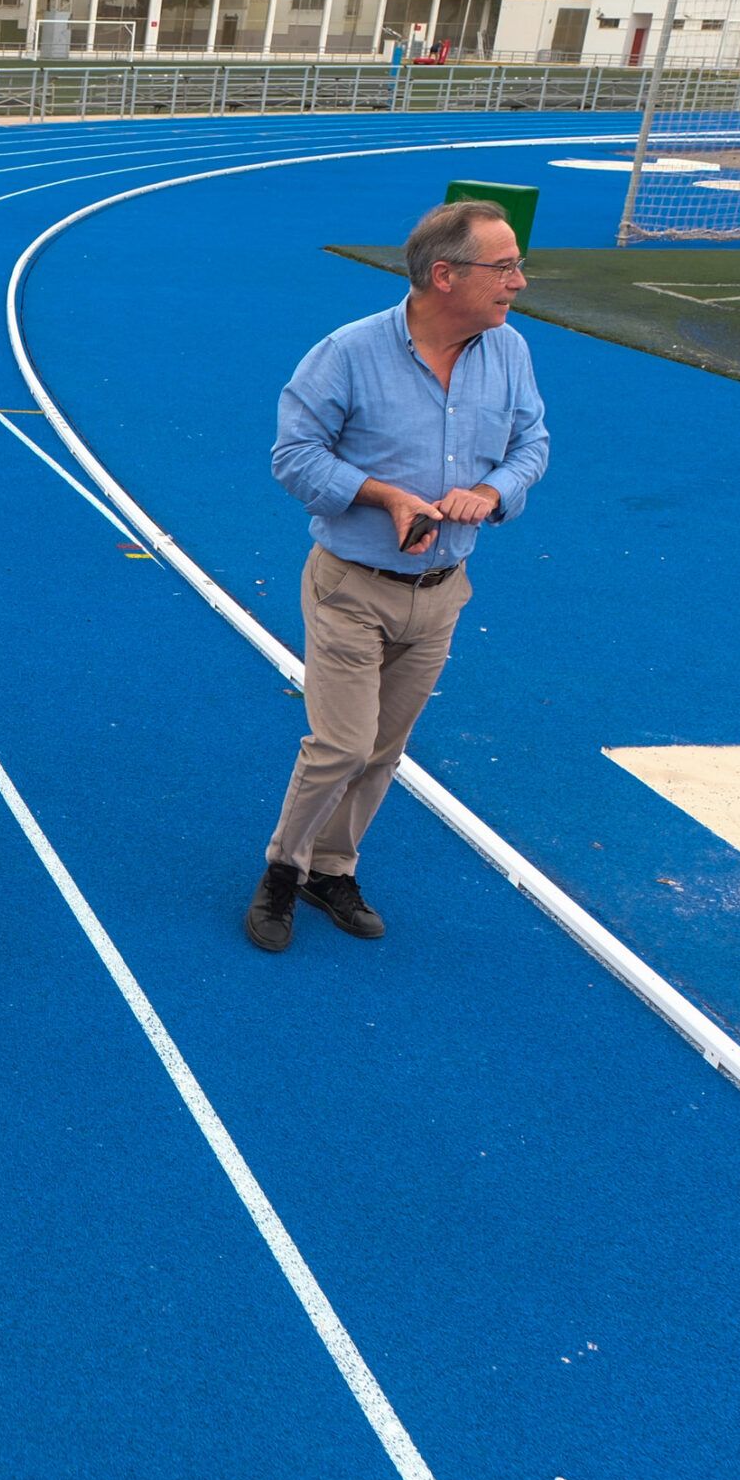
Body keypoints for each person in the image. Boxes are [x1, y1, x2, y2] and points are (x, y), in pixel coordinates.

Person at [246, 199, 550, 951]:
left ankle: (332, 867)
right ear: (444, 276)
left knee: (384, 749)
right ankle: (282, 869)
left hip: (443, 593)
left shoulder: (510, 352)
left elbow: (532, 442)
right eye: (505, 266)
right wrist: (383, 496)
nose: (520, 281)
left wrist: (489, 493)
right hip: (352, 586)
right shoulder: (347, 353)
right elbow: (293, 456)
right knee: (343, 744)